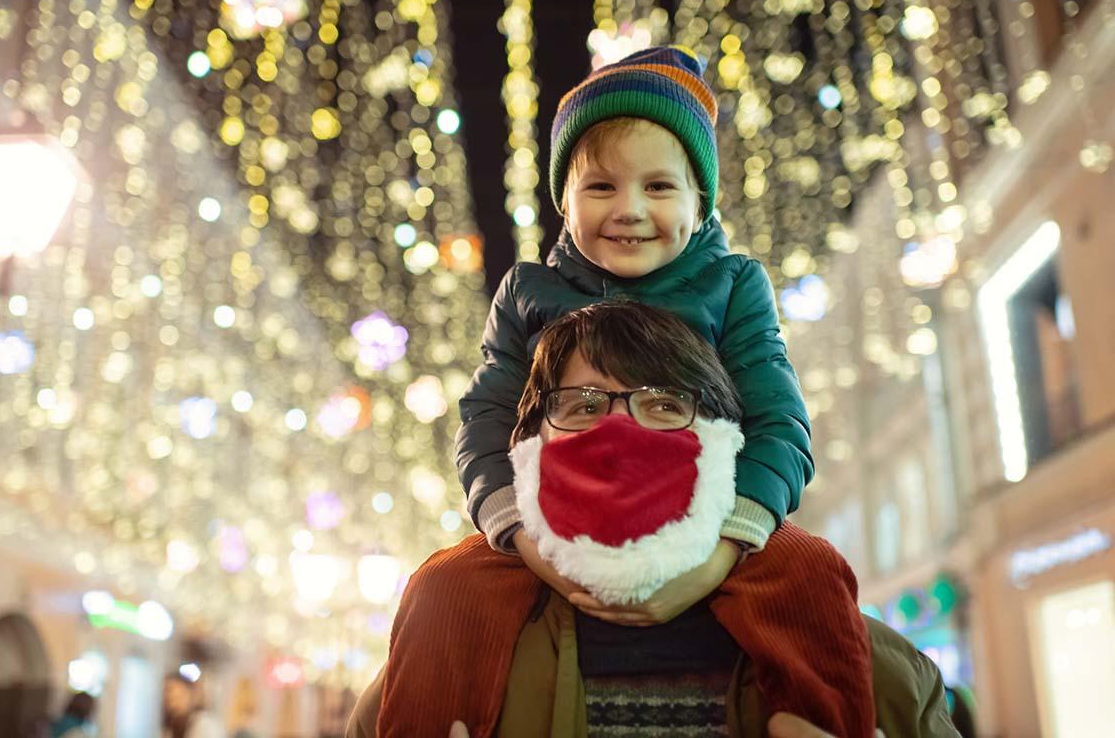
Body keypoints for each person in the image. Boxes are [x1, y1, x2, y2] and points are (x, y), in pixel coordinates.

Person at [377, 46, 874, 737]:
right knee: (445, 587)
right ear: (563, 202)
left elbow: (778, 419)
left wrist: (727, 544)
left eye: (660, 188)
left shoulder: (732, 287)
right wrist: (519, 535)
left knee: (810, 571)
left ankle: (816, 722)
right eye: (600, 187)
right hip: (559, 509)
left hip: (701, 509)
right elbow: (487, 413)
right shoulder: (528, 293)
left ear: (700, 202)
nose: (630, 210)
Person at [354, 302, 957, 737]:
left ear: (721, 437)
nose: (621, 433)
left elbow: (783, 430)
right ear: (533, 437)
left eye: (665, 405)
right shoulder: (448, 633)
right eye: (584, 406)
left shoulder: (861, 661)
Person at [162, 673, 226, 738]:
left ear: (190, 694)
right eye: (168, 698)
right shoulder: (171, 727)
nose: (172, 703)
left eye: (178, 697)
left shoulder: (204, 725)